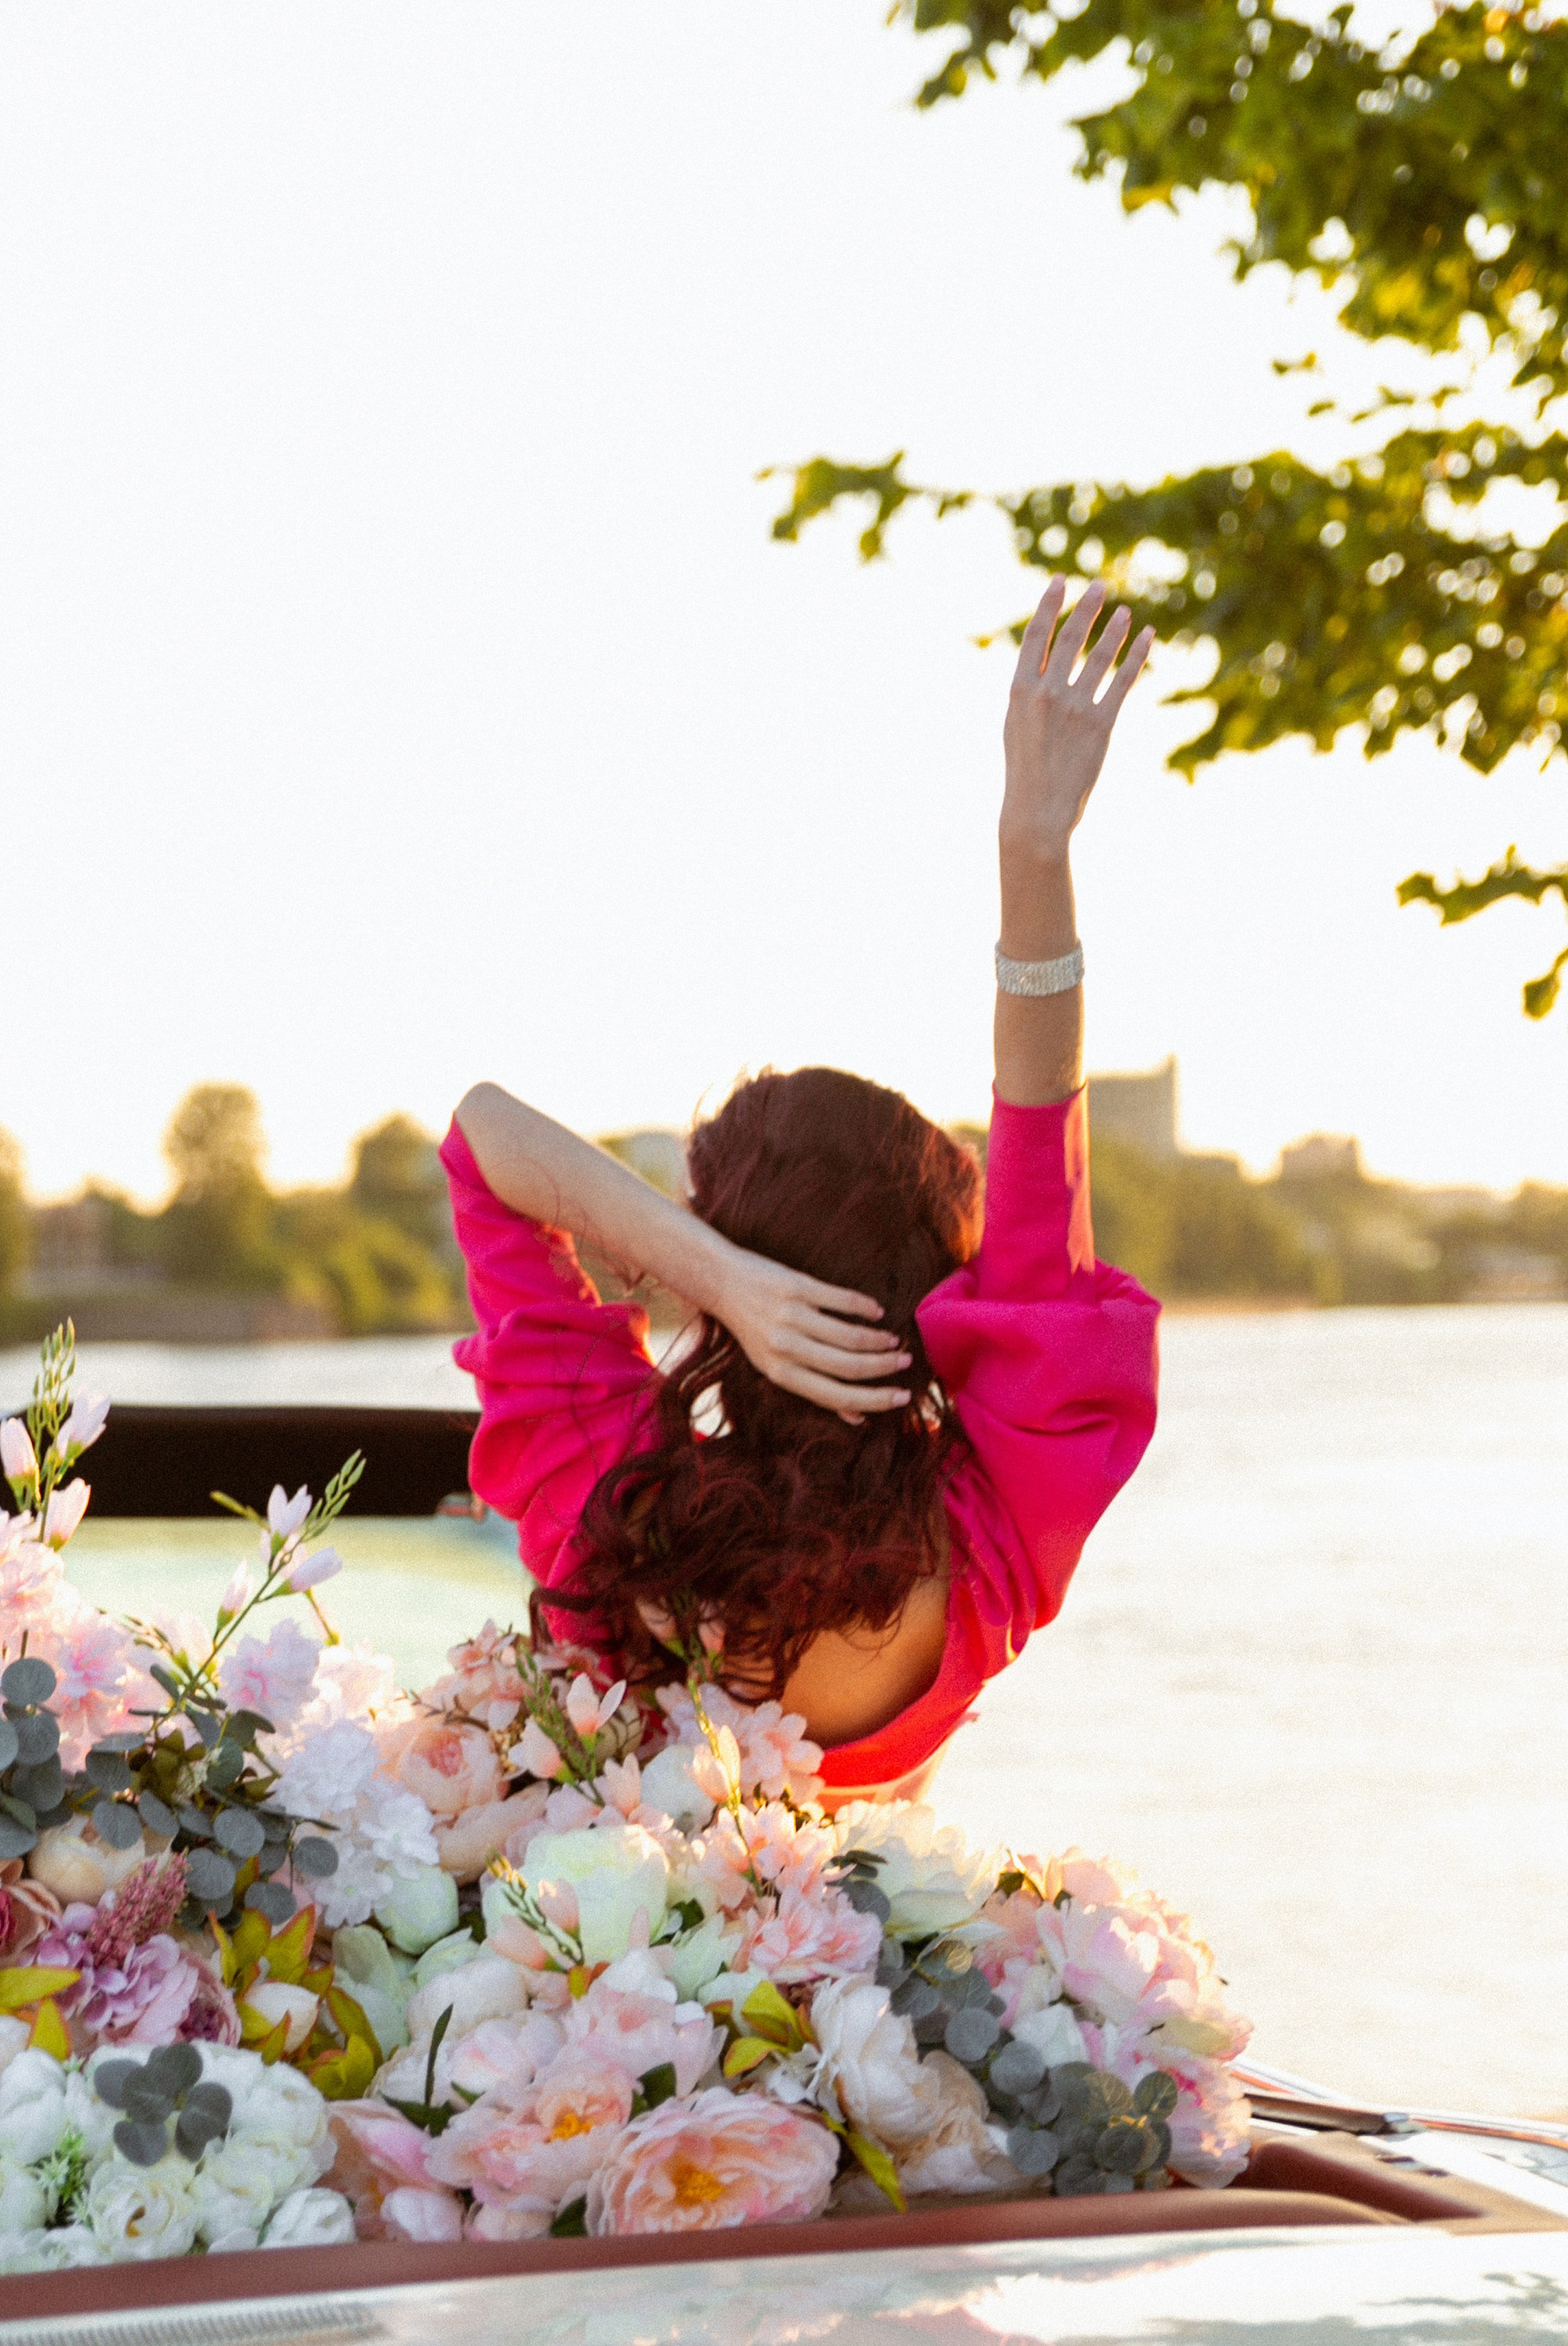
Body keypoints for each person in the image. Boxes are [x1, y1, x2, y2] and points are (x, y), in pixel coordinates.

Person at [446, 579, 1160, 1803]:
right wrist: (1033, 849)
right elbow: (1043, 1133)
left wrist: (717, 1275)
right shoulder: (999, 1531)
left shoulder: (609, 1507)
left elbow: (484, 1138)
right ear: (935, 1279)